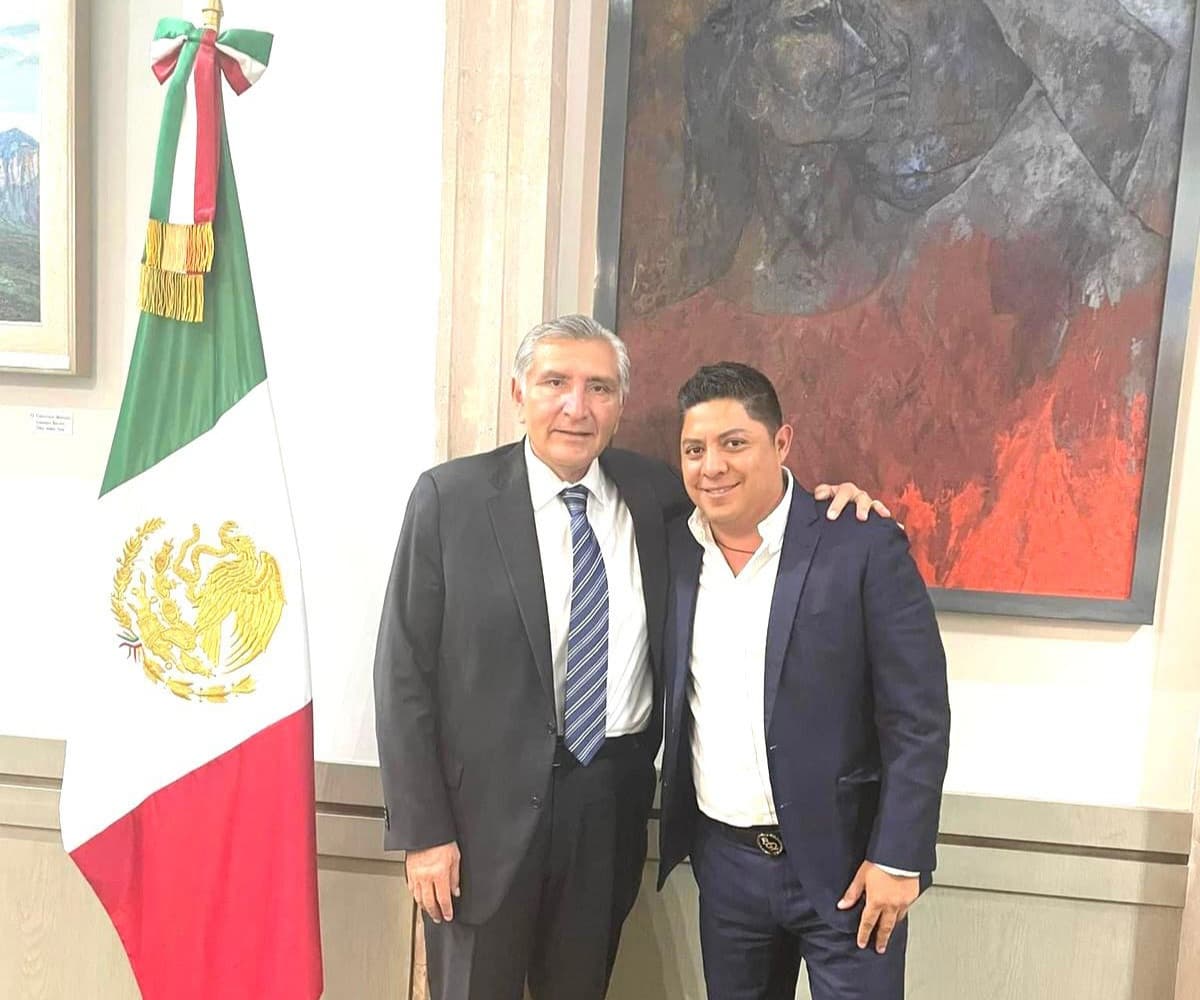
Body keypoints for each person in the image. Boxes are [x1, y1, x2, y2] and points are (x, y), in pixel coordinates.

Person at [373, 316, 885, 1000]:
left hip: (607, 803)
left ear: (620, 405)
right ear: (519, 393)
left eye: (599, 388)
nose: (576, 406)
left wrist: (835, 503)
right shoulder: (449, 500)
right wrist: (424, 831)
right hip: (477, 823)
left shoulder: (659, 496)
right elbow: (402, 673)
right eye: (555, 383)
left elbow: (754, 501)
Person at [658, 362, 950, 1000]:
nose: (712, 466)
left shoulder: (861, 544)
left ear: (782, 442)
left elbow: (918, 718)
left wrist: (899, 856)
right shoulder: (672, 550)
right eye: (694, 449)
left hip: (849, 870)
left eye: (735, 442)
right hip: (726, 870)